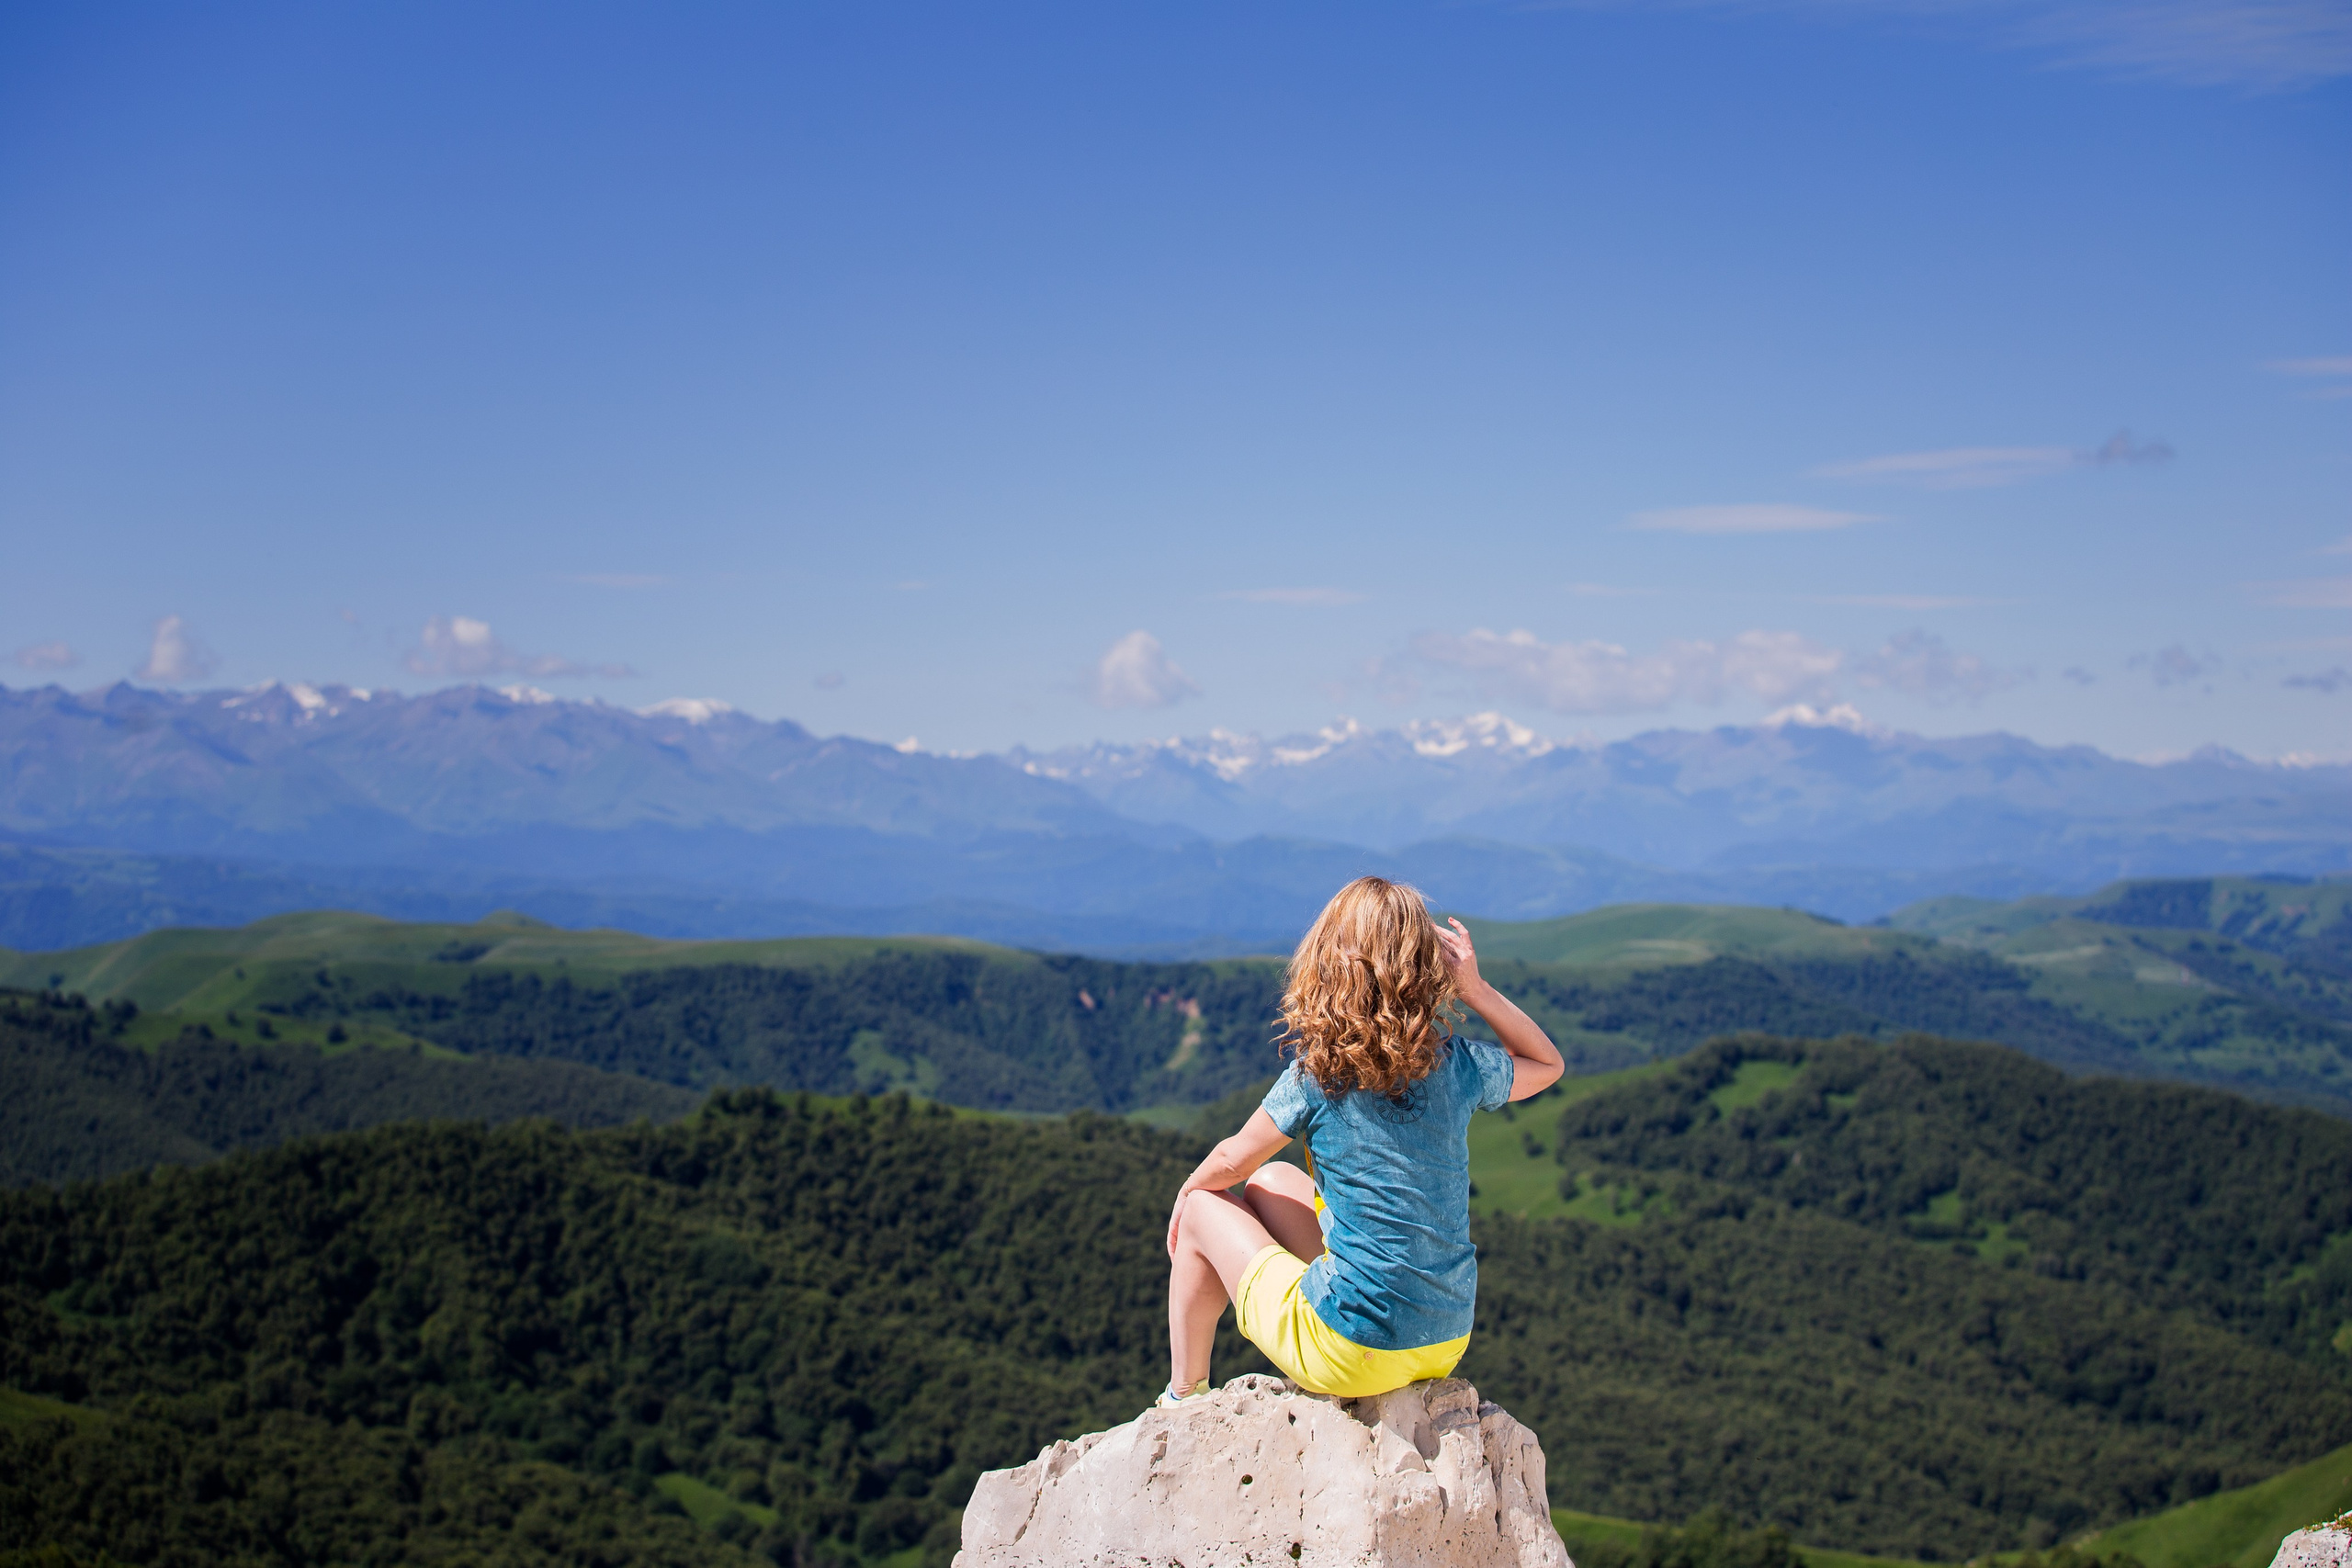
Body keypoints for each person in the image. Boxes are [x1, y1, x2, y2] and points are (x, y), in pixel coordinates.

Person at [1159, 875, 1565, 1407]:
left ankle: (1184, 1396)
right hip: (1445, 1341)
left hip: (1350, 1351)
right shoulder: (1458, 1065)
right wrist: (1475, 989)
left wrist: (1185, 1195)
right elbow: (1546, 1065)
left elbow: (1232, 1159)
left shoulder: (1318, 1074)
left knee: (1202, 1206)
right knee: (1271, 1182)